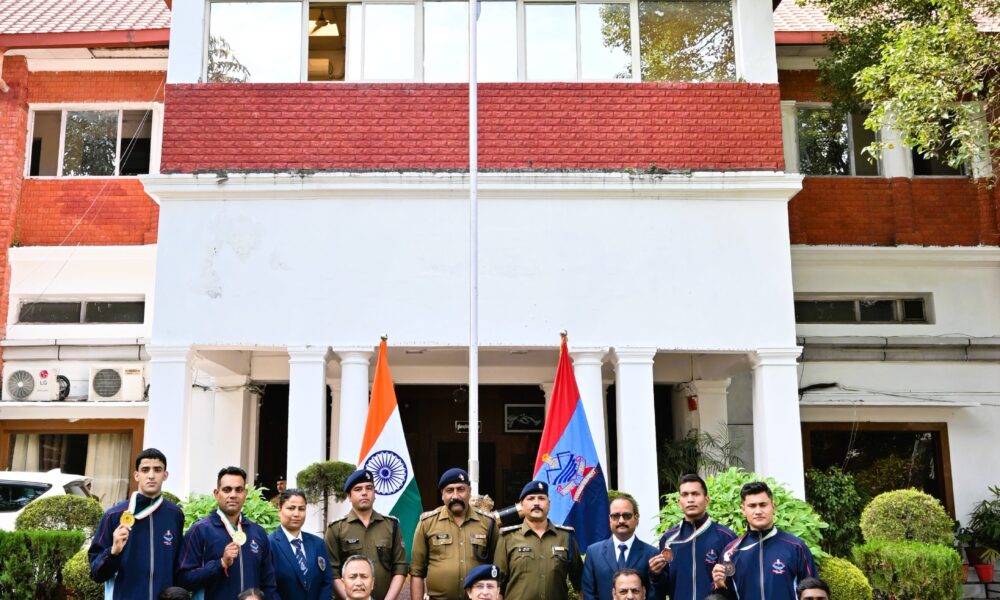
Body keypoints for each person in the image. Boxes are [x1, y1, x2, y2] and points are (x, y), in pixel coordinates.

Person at [89, 447, 186, 599]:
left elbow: (178, 565)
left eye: (157, 470)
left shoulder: (175, 515)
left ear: (165, 475)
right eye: (145, 470)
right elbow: (96, 574)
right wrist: (113, 552)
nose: (151, 476)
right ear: (136, 475)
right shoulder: (113, 516)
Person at [177, 466, 278, 599]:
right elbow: (183, 578)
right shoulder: (200, 530)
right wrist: (220, 563)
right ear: (216, 493)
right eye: (227, 489)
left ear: (245, 493)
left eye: (239, 490)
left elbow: (268, 584)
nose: (233, 495)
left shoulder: (257, 532)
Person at [711, 482, 817, 600]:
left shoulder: (796, 547)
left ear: (773, 506)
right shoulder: (730, 553)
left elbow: (813, 592)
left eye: (763, 505)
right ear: (743, 509)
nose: (758, 511)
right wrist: (719, 585)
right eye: (752, 506)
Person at [410, 467, 500, 600]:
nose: (455, 496)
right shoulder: (427, 523)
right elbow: (417, 572)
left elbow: (498, 568)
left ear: (469, 491)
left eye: (461, 489)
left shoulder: (488, 523)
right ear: (442, 495)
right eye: (449, 490)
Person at [649, 474, 737, 600]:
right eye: (685, 495)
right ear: (679, 502)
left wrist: (722, 584)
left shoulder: (726, 537)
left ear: (707, 500)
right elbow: (665, 589)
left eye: (695, 494)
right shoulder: (669, 539)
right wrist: (655, 574)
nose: (690, 499)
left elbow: (738, 583)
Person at [325, 469, 407, 600]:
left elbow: (400, 567)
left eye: (369, 488)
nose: (364, 493)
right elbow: (332, 571)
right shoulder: (336, 529)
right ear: (349, 496)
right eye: (358, 489)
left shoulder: (391, 525)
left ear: (375, 493)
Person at [494, 480, 583, 600]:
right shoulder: (508, 537)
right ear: (521, 505)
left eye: (541, 498)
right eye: (530, 499)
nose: (536, 503)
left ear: (549, 504)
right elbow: (497, 585)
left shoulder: (566, 537)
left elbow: (580, 583)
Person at [581, 493, 659, 600]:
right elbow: (588, 593)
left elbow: (655, 593)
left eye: (626, 516)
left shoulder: (651, 554)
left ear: (636, 518)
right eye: (615, 516)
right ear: (609, 519)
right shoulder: (593, 553)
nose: (621, 520)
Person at [270, 488, 334, 600]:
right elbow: (268, 587)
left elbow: (326, 581)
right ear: (279, 510)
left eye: (301, 509)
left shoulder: (318, 544)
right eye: (291, 508)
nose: (296, 514)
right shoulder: (269, 544)